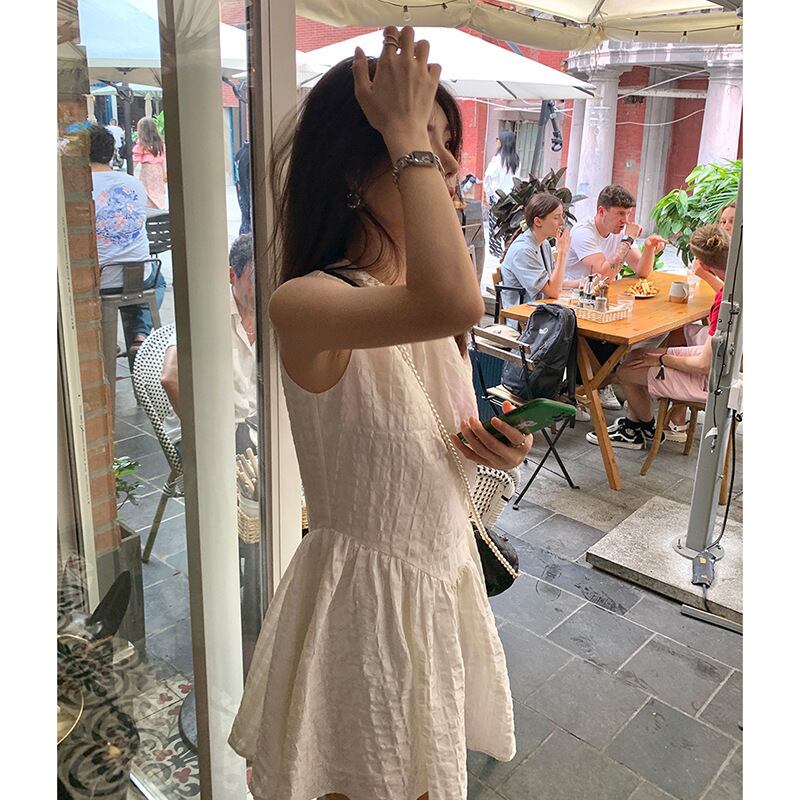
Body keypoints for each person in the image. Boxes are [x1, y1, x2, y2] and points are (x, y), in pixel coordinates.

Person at [228, 27, 528, 800]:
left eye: (446, 143)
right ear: (354, 169)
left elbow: (421, 447)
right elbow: (453, 298)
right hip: (360, 616)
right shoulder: (308, 301)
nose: (449, 165)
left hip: (431, 595)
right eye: (425, 142)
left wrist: (491, 452)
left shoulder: (411, 312)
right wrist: (403, 129)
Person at [586, 225, 729, 450]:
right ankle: (634, 425)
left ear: (701, 263)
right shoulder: (734, 286)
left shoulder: (723, 302)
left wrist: (660, 359)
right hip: (721, 362)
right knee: (636, 355)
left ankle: (648, 428)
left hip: (712, 378)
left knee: (625, 371)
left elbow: (702, 365)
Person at [564, 184, 667, 410]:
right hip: (574, 303)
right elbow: (603, 275)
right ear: (602, 211)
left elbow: (642, 270)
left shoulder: (618, 234)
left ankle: (612, 376)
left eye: (628, 214)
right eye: (620, 213)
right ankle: (597, 382)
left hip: (602, 301)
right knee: (621, 331)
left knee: (659, 328)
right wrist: (628, 240)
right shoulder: (583, 232)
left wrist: (649, 247)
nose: (625, 220)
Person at [160, 234, 257, 453]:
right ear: (232, 276)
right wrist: (206, 432)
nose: (264, 288)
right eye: (253, 279)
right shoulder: (208, 311)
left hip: (250, 424)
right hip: (208, 432)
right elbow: (171, 378)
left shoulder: (271, 312)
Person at [89, 125, 166, 357]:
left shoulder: (79, 187)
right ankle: (140, 337)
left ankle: (104, 343)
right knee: (155, 282)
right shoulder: (133, 184)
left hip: (99, 280)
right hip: (138, 276)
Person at [499, 192, 571, 309]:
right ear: (538, 221)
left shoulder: (544, 244)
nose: (562, 222)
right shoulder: (523, 250)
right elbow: (553, 291)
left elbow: (555, 282)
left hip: (542, 311)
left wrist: (582, 282)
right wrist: (562, 252)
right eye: (556, 217)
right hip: (524, 315)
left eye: (562, 216)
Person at [132, 117, 167, 209]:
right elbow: (163, 159)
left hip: (147, 171)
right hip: (158, 170)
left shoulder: (141, 144)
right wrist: (164, 173)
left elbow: (135, 160)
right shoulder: (160, 143)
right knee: (158, 191)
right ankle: (160, 207)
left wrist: (130, 173)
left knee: (147, 192)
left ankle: (151, 210)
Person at [483, 129, 522, 205]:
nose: (496, 141)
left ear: (502, 142)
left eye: (498, 139)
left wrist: (489, 194)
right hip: (512, 198)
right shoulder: (517, 160)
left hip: (497, 198)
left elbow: (488, 178)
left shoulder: (497, 159)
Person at [234, 140, 252, 235]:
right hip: (245, 194)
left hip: (242, 194)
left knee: (245, 218)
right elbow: (244, 181)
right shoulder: (248, 155)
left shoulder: (240, 154)